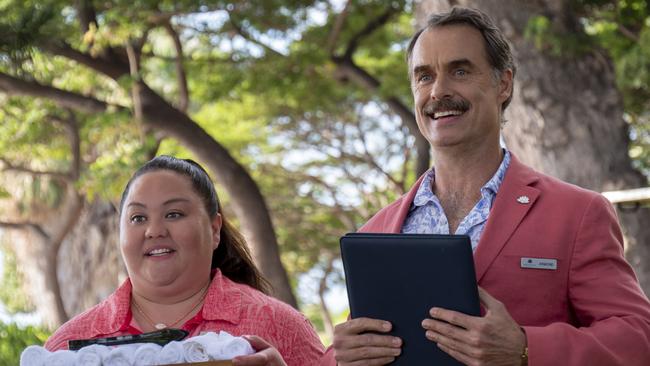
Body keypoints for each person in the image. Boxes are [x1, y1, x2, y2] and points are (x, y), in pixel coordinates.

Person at [322, 6, 650, 366]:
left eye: (460, 71)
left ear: (503, 83)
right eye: (424, 76)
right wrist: (339, 358)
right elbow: (343, 351)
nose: (439, 91)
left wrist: (526, 349)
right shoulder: (376, 231)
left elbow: (638, 337)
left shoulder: (577, 214)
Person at [45, 155, 324, 365]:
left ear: (214, 230)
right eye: (138, 218)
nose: (154, 231)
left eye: (174, 214)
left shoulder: (281, 326)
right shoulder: (64, 348)